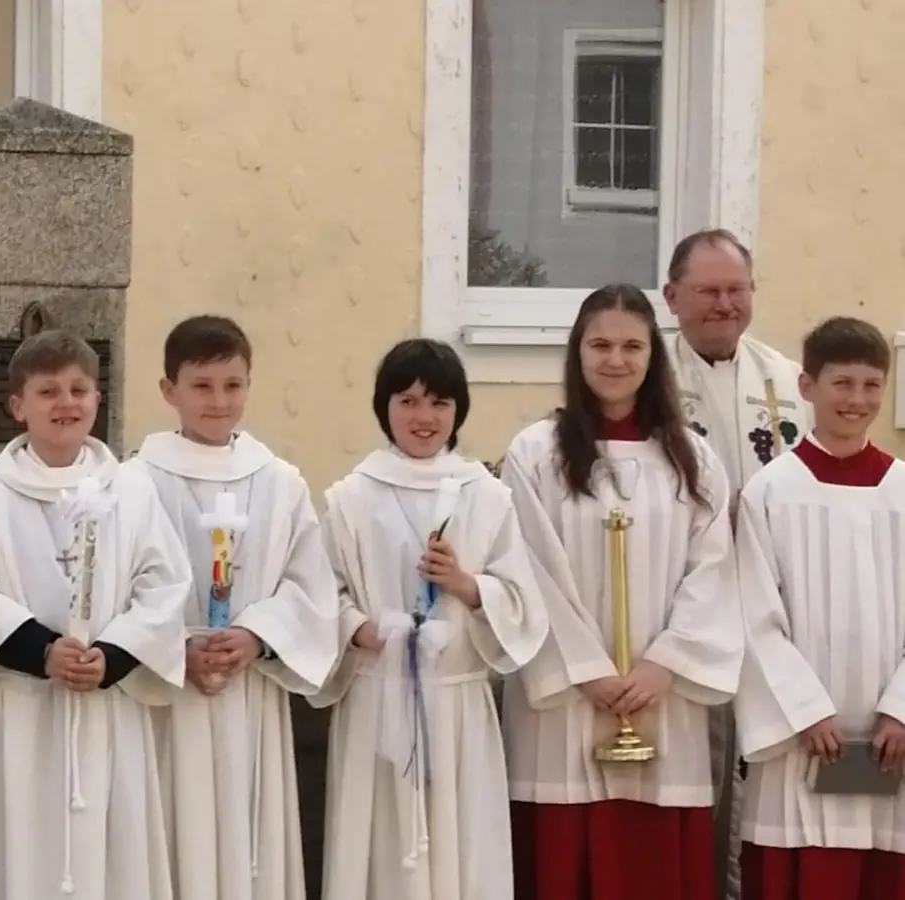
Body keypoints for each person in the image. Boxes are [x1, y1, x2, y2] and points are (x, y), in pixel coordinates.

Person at [0, 329, 191, 900]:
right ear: (18, 406)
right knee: (15, 851)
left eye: (79, 389)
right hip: (20, 709)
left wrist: (112, 657)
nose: (66, 403)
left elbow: (165, 584)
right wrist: (41, 652)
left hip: (106, 705)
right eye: (48, 391)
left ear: (99, 399)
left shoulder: (132, 490)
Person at [501, 284, 743, 900]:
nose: (616, 360)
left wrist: (665, 664)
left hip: (664, 700)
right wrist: (587, 672)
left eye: (632, 346)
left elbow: (715, 570)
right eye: (601, 344)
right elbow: (525, 569)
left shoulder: (694, 460)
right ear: (576, 354)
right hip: (562, 705)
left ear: (652, 357)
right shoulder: (534, 455)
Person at [313, 338, 548, 900]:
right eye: (408, 400)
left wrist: (468, 587)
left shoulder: (488, 497)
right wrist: (357, 629)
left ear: (458, 411)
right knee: (378, 851)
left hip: (457, 704)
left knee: (458, 853)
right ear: (383, 407)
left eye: (440, 403)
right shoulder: (350, 498)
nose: (424, 417)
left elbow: (523, 602)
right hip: (376, 699)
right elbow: (321, 592)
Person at [124, 315, 340, 900]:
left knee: (250, 846)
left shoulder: (280, 482)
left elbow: (311, 586)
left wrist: (258, 636)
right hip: (168, 690)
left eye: (233, 384)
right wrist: (173, 647)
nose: (218, 401)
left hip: (250, 691)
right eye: (201, 385)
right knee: (169, 834)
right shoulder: (134, 482)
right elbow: (118, 589)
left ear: (249, 385)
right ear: (169, 390)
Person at [734, 317, 905, 900]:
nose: (857, 400)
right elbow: (753, 614)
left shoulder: (903, 490)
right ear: (807, 387)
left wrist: (901, 709)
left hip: (892, 745)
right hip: (801, 742)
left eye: (871, 385)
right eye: (842, 383)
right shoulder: (771, 492)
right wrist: (804, 710)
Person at [662, 228, 811, 899]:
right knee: (703, 770)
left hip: (775, 607)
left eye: (736, 289)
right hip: (685, 608)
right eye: (708, 291)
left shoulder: (787, 381)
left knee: (769, 776)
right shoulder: (647, 380)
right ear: (671, 298)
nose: (724, 304)